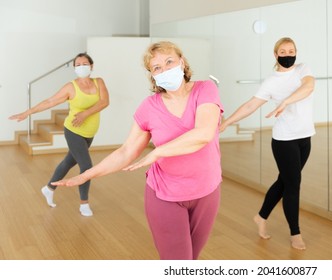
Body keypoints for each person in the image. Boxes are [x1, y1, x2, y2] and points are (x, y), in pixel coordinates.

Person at [52, 41, 223, 260]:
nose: (165, 69)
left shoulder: (205, 90)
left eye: (169, 61)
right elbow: (126, 152)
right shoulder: (149, 107)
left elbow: (203, 134)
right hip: (165, 194)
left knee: (191, 260)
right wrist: (86, 174)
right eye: (157, 67)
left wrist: (156, 153)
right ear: (152, 76)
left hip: (207, 191)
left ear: (182, 62)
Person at [220, 37, 315, 250]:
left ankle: (261, 217)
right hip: (284, 140)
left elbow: (309, 87)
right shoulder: (271, 81)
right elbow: (251, 105)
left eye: (292, 50)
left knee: (285, 181)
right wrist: (227, 122)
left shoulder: (302, 70)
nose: (288, 54)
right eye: (283, 51)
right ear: (276, 55)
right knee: (293, 185)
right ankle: (295, 233)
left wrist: (285, 102)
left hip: (305, 137)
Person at [9, 53, 110, 217]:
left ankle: (48, 188)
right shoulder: (71, 87)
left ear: (91, 66)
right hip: (73, 131)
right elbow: (49, 102)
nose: (81, 66)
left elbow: (104, 102)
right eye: (78, 64)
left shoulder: (99, 82)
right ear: (74, 68)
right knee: (86, 166)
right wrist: (27, 112)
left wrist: (85, 114)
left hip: (89, 132)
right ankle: (84, 203)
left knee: (69, 161)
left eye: (85, 63)